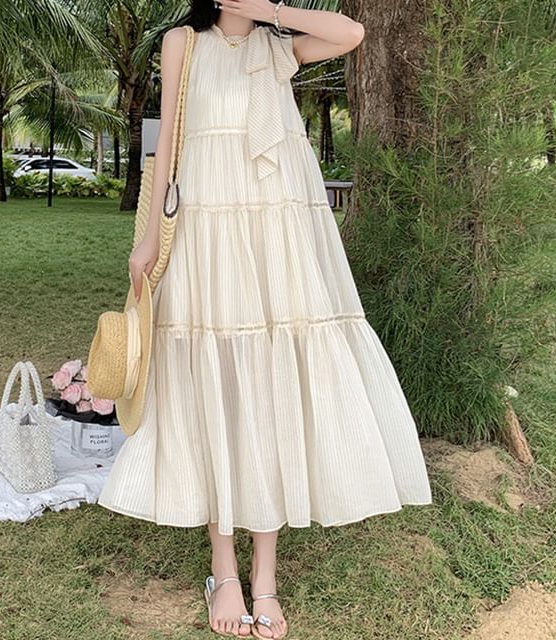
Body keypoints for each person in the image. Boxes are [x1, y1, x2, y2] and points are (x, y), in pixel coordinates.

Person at [98, 1, 433, 638]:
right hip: (206, 232)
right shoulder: (183, 42)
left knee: (270, 387)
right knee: (216, 386)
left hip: (277, 237)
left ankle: (266, 577)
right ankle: (224, 569)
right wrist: (148, 236)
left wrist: (270, 12)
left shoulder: (281, 46)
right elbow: (168, 143)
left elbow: (352, 32)